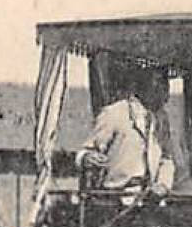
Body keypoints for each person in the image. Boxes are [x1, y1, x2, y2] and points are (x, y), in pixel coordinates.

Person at [76, 70, 177, 198]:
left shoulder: (161, 119)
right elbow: (87, 151)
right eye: (159, 84)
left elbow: (167, 158)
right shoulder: (114, 113)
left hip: (149, 200)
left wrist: (163, 184)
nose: (166, 93)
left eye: (166, 84)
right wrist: (87, 157)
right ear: (143, 85)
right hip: (115, 198)